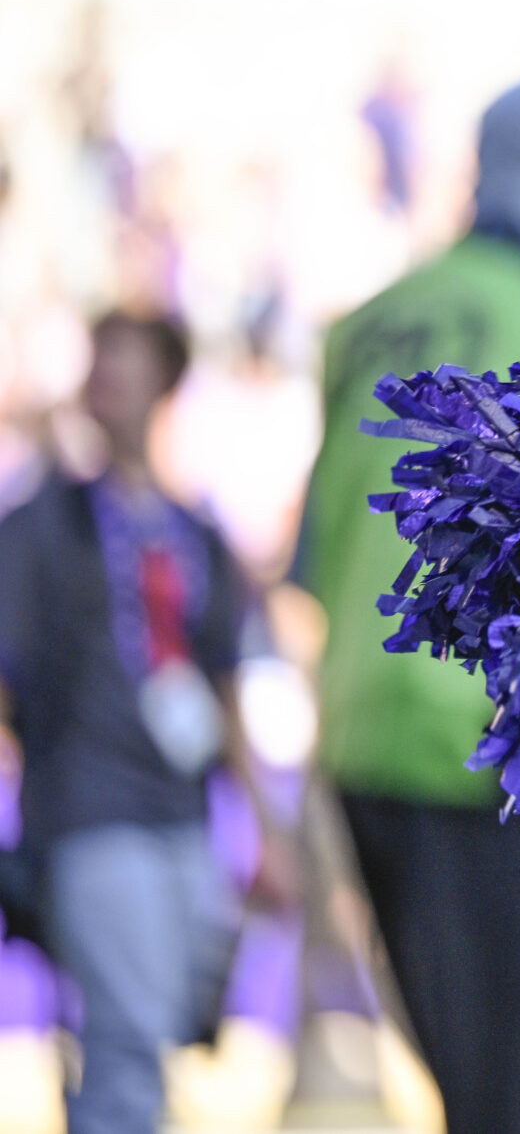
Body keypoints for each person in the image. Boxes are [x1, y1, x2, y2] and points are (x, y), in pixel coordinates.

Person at [299, 77, 520, 1134]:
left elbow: (318, 557)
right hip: (485, 751)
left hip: (363, 739)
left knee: (473, 1087)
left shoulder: (365, 324)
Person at [0, 308, 290, 1134]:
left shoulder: (193, 528)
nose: (108, 379)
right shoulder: (42, 523)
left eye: (127, 361)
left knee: (157, 1032)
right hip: (90, 811)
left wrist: (267, 827)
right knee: (127, 1045)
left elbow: (223, 680)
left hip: (182, 815)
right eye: (100, 360)